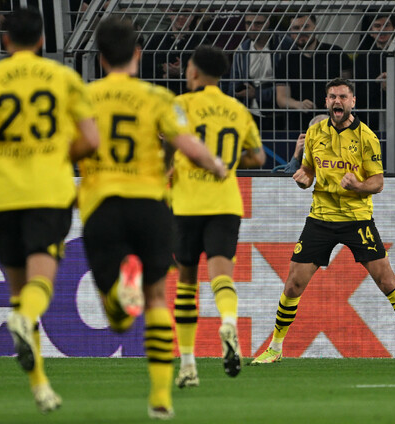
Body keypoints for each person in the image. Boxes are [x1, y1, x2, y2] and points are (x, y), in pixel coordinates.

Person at [77, 17, 226, 420]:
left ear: (100, 57)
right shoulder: (158, 97)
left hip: (102, 204)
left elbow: (69, 145)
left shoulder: (84, 96)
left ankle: (119, 292)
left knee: (118, 320)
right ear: (138, 54)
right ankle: (161, 398)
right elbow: (187, 144)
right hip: (150, 206)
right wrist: (215, 164)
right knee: (158, 297)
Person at [0, 7, 99, 413]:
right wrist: (59, 155)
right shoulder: (64, 79)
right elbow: (91, 138)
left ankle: (40, 386)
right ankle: (25, 331)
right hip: (47, 191)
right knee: (39, 286)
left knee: (18, 293)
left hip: (3, 194)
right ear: (41, 40)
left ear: (5, 40)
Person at [251, 78, 395, 366]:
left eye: (342, 96)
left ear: (353, 102)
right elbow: (309, 171)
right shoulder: (314, 133)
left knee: (387, 282)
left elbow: (378, 182)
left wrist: (358, 186)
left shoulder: (367, 137)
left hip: (356, 219)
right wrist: (303, 179)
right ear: (326, 102)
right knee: (293, 285)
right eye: (332, 97)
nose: (337, 101)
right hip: (321, 218)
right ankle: (275, 348)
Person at [170, 45, 265, 388]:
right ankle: (228, 321)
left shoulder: (180, 105)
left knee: (186, 283)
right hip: (225, 203)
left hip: (187, 204)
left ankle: (188, 365)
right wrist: (230, 161)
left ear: (194, 71)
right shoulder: (238, 110)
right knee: (222, 275)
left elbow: (169, 146)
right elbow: (258, 157)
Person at [275, 14, 353, 131]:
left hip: (336, 120)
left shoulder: (335, 53)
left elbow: (350, 86)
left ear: (315, 28)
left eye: (306, 27)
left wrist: (337, 99)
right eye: (296, 28)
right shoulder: (286, 61)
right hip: (298, 123)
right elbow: (281, 98)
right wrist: (298, 104)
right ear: (290, 32)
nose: (301, 31)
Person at [223, 13, 293, 130]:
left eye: (258, 23)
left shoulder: (284, 44)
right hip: (250, 114)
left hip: (279, 115)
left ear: (268, 23)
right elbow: (233, 85)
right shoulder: (242, 50)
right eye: (248, 23)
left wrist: (257, 93)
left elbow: (292, 86)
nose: (252, 28)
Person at [141, 7, 204, 95]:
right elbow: (143, 71)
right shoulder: (155, 40)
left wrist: (182, 73)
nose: (181, 16)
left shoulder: (202, 41)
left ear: (193, 15)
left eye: (186, 13)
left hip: (191, 97)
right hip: (160, 96)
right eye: (176, 11)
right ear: (169, 13)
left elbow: (206, 75)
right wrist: (164, 76)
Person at [354, 15, 395, 133]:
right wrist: (377, 83)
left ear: (394, 29)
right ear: (371, 32)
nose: (382, 29)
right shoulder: (363, 58)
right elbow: (359, 91)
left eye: (386, 25)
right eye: (377, 26)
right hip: (372, 116)